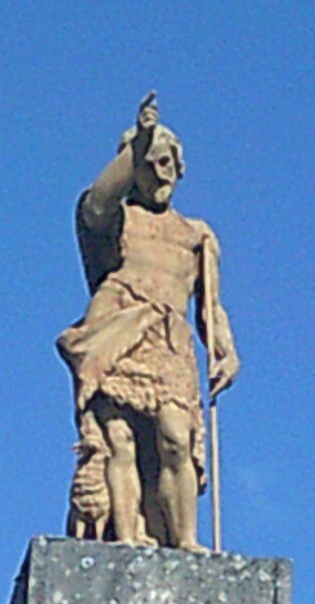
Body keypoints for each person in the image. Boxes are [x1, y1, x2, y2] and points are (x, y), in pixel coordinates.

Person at [58, 93, 239, 551]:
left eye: (167, 162)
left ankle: (185, 540)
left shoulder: (196, 235)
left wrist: (225, 349)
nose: (162, 173)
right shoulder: (114, 220)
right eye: (150, 164)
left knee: (176, 438)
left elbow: (210, 306)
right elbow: (97, 201)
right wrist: (136, 144)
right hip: (117, 330)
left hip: (170, 339)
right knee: (119, 437)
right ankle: (128, 535)